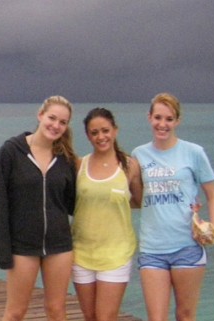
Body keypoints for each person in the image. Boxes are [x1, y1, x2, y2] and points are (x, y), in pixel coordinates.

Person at [131, 93, 214, 321]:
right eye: (158, 117)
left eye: (169, 119)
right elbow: (138, 198)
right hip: (152, 249)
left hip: (187, 247)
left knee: (185, 314)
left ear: (177, 121)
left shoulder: (194, 152)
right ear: (149, 117)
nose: (163, 124)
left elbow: (212, 196)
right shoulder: (138, 155)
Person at [0, 95, 77, 321]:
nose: (55, 125)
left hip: (59, 245)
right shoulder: (11, 152)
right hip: (22, 247)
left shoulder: (65, 158)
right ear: (40, 115)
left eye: (62, 122)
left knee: (56, 311)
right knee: (16, 312)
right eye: (52, 118)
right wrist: (2, 253)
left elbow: (73, 203)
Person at [71, 107, 143, 321]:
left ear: (115, 130)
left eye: (105, 130)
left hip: (116, 253)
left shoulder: (130, 166)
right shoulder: (79, 165)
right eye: (94, 133)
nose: (101, 137)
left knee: (105, 317)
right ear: (88, 136)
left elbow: (140, 201)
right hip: (81, 253)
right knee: (90, 316)